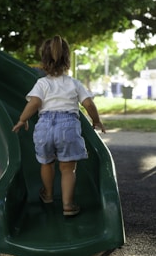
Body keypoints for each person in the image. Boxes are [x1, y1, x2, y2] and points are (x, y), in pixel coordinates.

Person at [12, 35, 105, 216]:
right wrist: (96, 120)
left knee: (46, 163)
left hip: (44, 127)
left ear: (44, 61)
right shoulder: (74, 83)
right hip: (68, 127)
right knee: (67, 169)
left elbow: (34, 104)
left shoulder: (42, 83)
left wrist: (22, 119)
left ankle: (47, 194)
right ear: (68, 60)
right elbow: (88, 105)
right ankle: (68, 205)